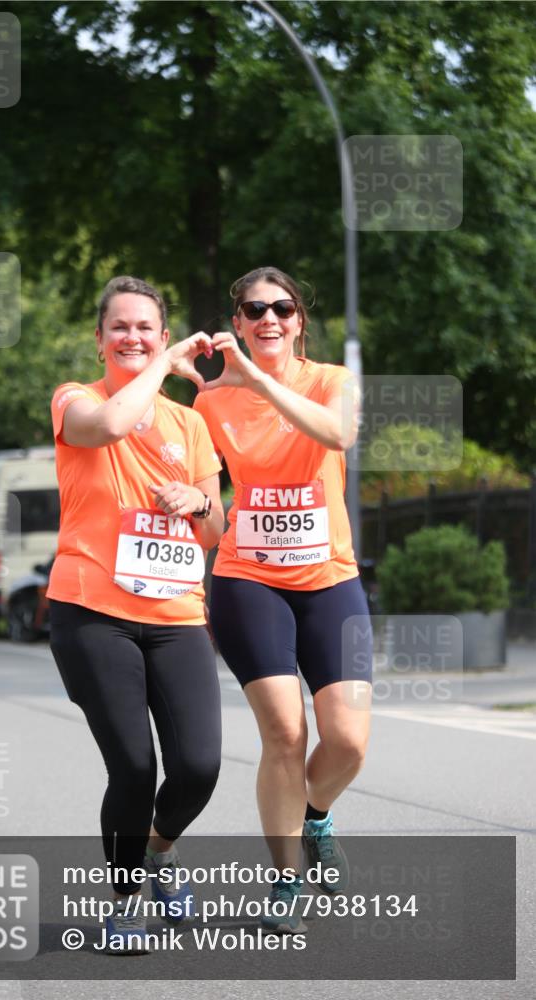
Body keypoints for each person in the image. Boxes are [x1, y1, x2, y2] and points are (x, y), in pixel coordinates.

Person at [48, 276, 224, 952]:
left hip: (176, 613)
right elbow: (117, 422)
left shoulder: (191, 424)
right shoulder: (74, 400)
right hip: (91, 610)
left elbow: (217, 532)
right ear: (99, 341)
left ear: (159, 333)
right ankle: (123, 903)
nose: (132, 336)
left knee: (199, 766)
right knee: (131, 767)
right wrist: (165, 364)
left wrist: (198, 504)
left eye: (145, 327)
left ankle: (157, 853)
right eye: (119, 327)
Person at [194, 266, 372, 934]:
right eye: (253, 309)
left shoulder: (330, 382)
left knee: (348, 742)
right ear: (235, 322)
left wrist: (259, 380)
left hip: (329, 577)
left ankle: (315, 814)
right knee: (284, 732)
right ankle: (285, 877)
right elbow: (206, 498)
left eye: (282, 308)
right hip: (248, 578)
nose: (269, 318)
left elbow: (336, 436)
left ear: (299, 320)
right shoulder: (208, 403)